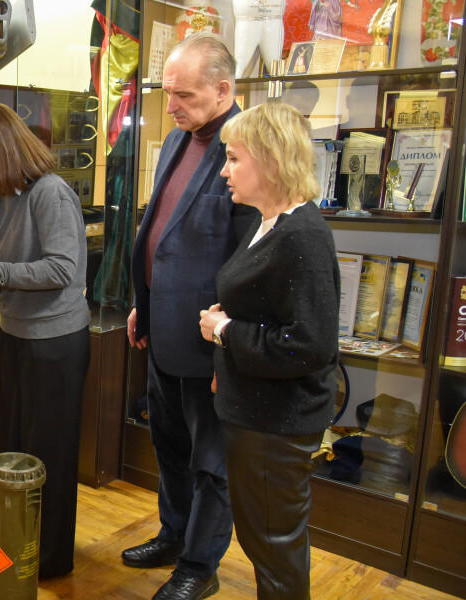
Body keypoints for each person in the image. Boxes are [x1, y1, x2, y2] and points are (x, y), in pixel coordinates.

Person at [124, 31, 256, 600]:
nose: (170, 105)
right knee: (169, 446)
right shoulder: (181, 138)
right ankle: (173, 536)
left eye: (183, 95)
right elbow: (166, 231)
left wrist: (227, 350)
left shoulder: (249, 149)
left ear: (223, 89)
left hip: (208, 342)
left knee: (210, 462)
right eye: (167, 92)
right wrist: (142, 302)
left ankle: (200, 567)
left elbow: (251, 258)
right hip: (161, 327)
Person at [199, 102, 340, 599]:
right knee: (268, 543)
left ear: (271, 161)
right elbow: (272, 312)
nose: (224, 169)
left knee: (273, 547)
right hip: (260, 415)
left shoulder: (300, 235)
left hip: (275, 424)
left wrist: (224, 331)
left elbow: (309, 347)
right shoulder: (271, 223)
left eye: (234, 158)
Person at [0, 103, 92, 578]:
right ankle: (17, 546)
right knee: (15, 449)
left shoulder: (50, 193)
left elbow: (60, 269)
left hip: (55, 343)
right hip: (13, 335)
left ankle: (50, 561)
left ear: (7, 144)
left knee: (49, 453)